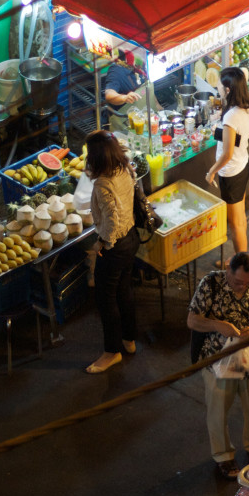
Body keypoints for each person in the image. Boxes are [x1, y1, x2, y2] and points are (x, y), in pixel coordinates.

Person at [187, 251, 249, 480]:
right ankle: (223, 455)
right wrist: (218, 325)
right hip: (217, 358)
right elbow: (192, 320)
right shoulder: (210, 283)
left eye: (248, 283)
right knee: (218, 410)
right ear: (228, 268)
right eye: (238, 282)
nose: (243, 287)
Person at [84, 130, 139, 374]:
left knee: (106, 299)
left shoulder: (104, 183)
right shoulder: (124, 169)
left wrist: (102, 243)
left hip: (115, 246)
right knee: (124, 290)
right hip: (131, 239)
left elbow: (112, 220)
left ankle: (111, 352)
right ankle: (128, 340)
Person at [206, 67, 249, 264]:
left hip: (232, 174)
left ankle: (241, 266)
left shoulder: (230, 116)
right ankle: (239, 257)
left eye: (220, 83)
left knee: (236, 224)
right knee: (240, 219)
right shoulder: (247, 106)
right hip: (244, 165)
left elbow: (227, 154)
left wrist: (211, 171)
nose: (217, 86)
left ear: (227, 90)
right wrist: (223, 134)